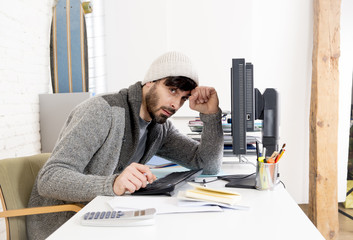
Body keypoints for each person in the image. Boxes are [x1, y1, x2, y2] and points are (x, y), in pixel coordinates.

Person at [26, 51, 224, 239]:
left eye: (183, 98)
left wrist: (211, 116)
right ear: (149, 83)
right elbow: (50, 178)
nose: (175, 104)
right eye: (172, 90)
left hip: (106, 218)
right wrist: (113, 184)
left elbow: (207, 164)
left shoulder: (160, 128)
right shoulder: (103, 111)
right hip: (65, 225)